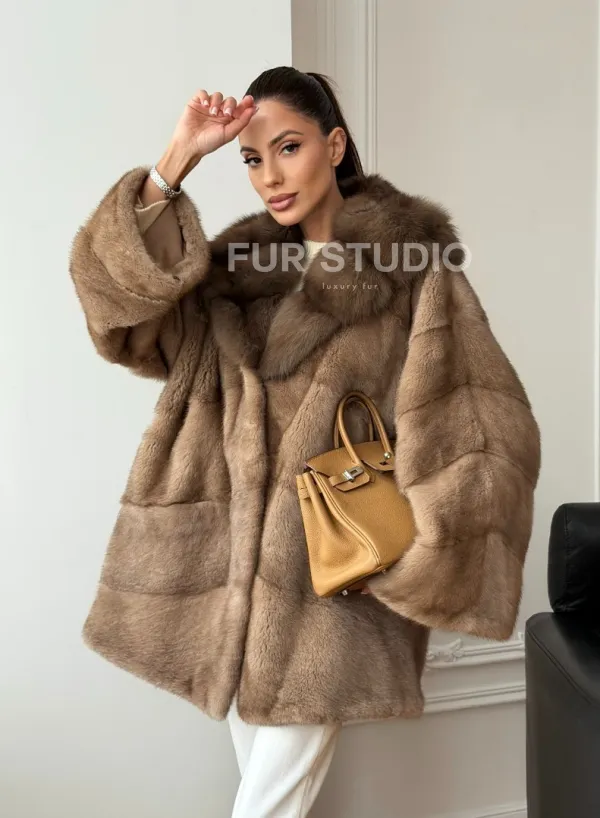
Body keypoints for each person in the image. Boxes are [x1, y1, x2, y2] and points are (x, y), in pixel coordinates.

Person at [69, 66, 541, 817]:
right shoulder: (232, 277)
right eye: (252, 159)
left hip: (334, 572)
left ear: (335, 144)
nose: (270, 176)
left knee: (269, 802)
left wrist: (420, 550)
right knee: (268, 794)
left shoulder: (410, 268)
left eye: (288, 148)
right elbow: (120, 321)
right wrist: (177, 159)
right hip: (224, 568)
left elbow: (477, 424)